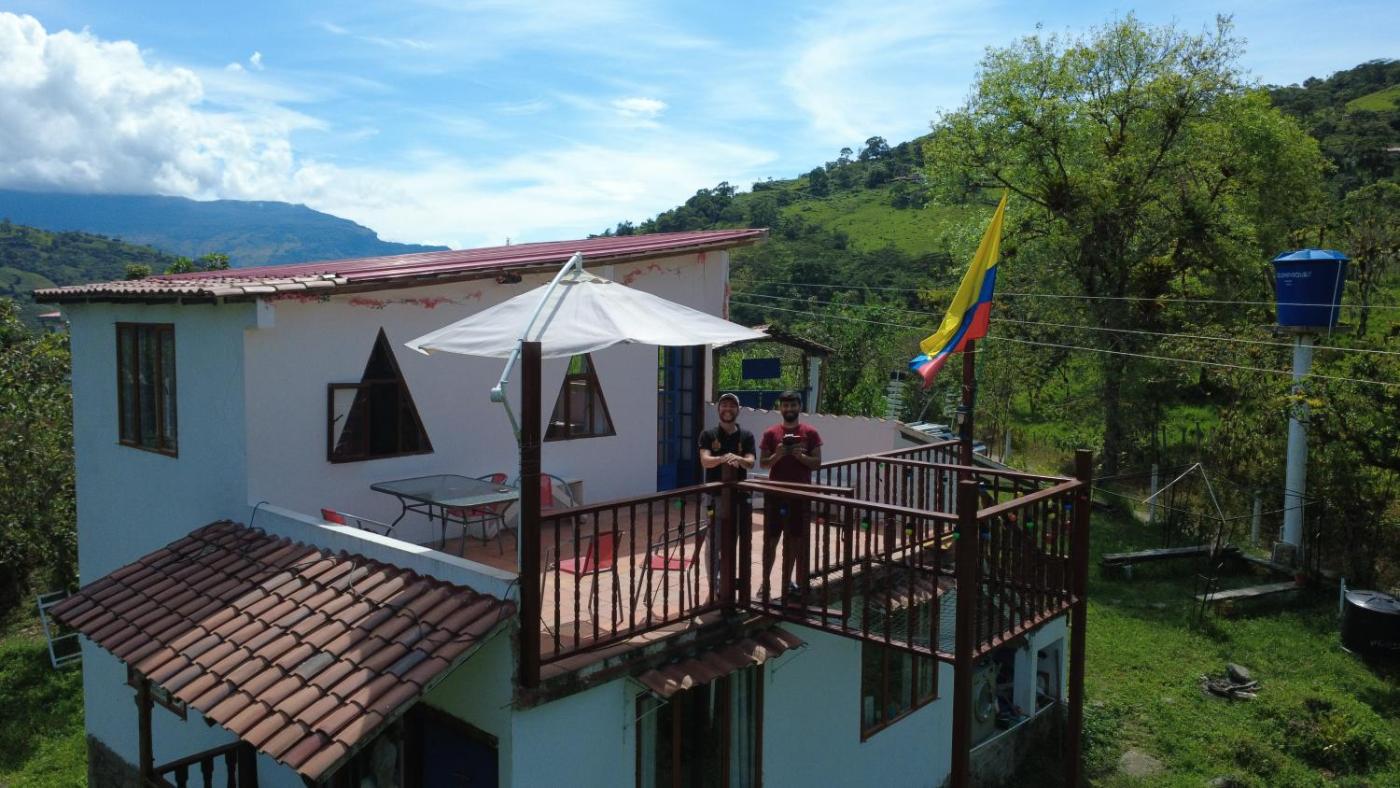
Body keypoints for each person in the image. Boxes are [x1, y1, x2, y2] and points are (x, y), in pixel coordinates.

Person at [758, 390, 822, 601]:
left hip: (799, 496)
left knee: (794, 541)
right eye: (785, 405)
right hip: (775, 495)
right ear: (780, 408)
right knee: (770, 541)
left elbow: (817, 463)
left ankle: (786, 583)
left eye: (793, 405)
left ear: (799, 407)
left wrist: (800, 456)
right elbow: (763, 463)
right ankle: (765, 583)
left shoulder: (810, 433)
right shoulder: (770, 433)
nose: (789, 409)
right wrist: (777, 455)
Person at [697, 393, 755, 594]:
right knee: (713, 541)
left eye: (732, 405)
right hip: (713, 498)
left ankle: (727, 582)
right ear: (718, 409)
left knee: (732, 539)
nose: (727, 409)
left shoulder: (746, 436)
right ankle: (714, 586)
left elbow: (750, 462)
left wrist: (737, 458)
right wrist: (723, 458)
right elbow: (705, 460)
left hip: (738, 499)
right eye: (724, 405)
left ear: (738, 409)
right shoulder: (708, 435)